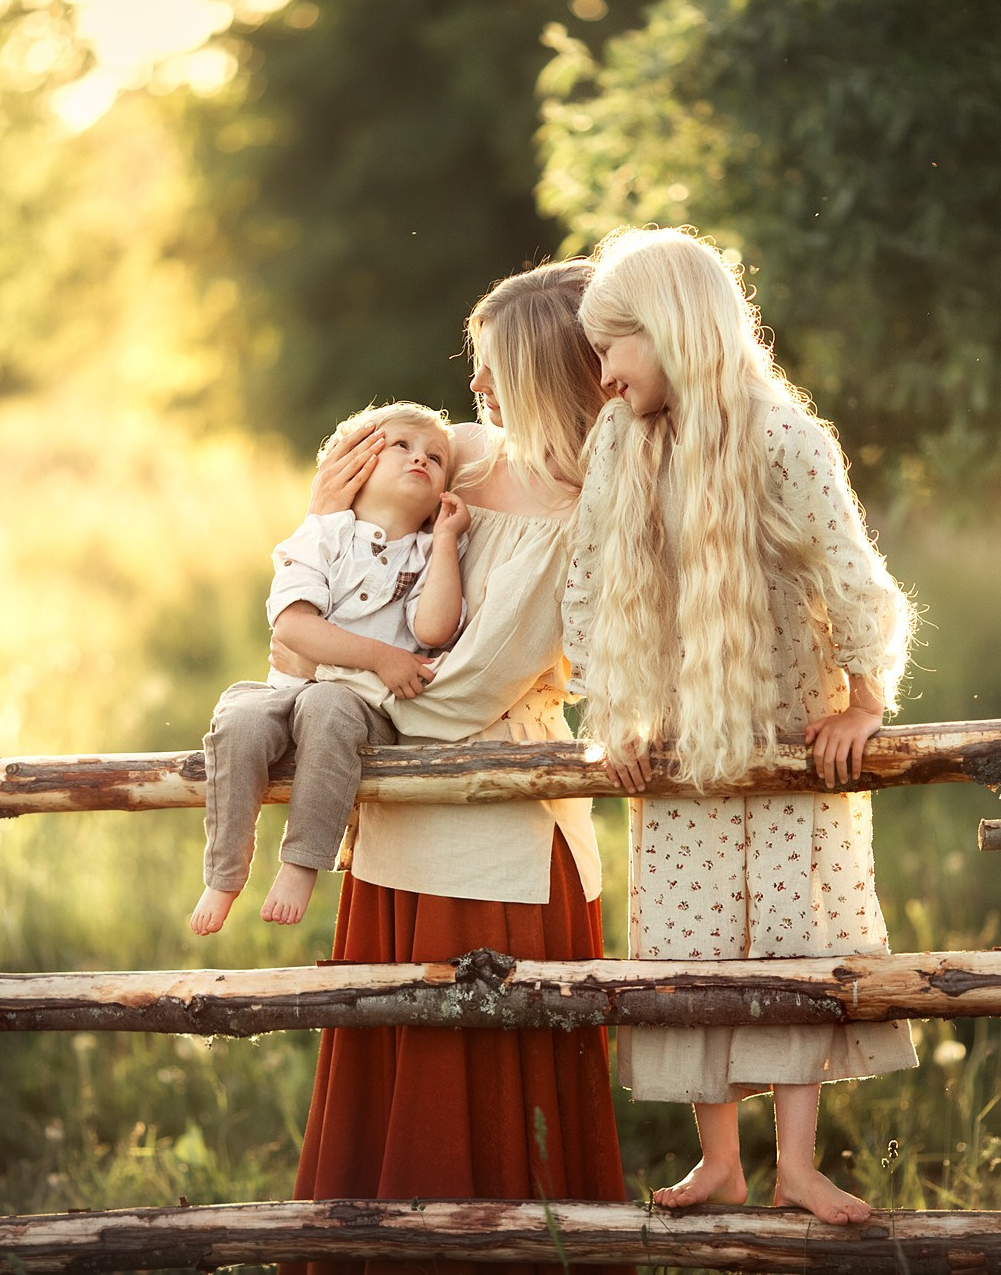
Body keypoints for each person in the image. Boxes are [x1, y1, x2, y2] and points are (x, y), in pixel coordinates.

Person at [274, 261, 627, 1275]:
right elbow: (324, 559)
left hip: (497, 836)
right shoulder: (459, 458)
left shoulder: (588, 515)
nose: (471, 393)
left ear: (542, 371)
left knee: (478, 1123)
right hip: (392, 819)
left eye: (489, 371)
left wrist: (336, 678)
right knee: (393, 1103)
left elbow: (458, 690)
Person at [562, 226, 918, 1225]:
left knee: (789, 941)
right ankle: (716, 1158)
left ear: (672, 332)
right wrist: (615, 714)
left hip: (782, 745)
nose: (601, 378)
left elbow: (856, 584)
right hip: (680, 749)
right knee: (688, 938)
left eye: (612, 350)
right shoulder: (620, 446)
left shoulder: (781, 442)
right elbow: (587, 588)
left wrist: (860, 700)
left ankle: (795, 1165)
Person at [191, 402, 469, 936]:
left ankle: (300, 863)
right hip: (286, 689)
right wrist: (383, 656)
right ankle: (226, 870)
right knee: (240, 715)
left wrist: (447, 543)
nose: (420, 459)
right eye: (403, 447)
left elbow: (433, 631)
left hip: (357, 710)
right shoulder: (323, 534)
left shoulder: (426, 553)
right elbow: (292, 628)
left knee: (326, 704)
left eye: (435, 457)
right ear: (356, 464)